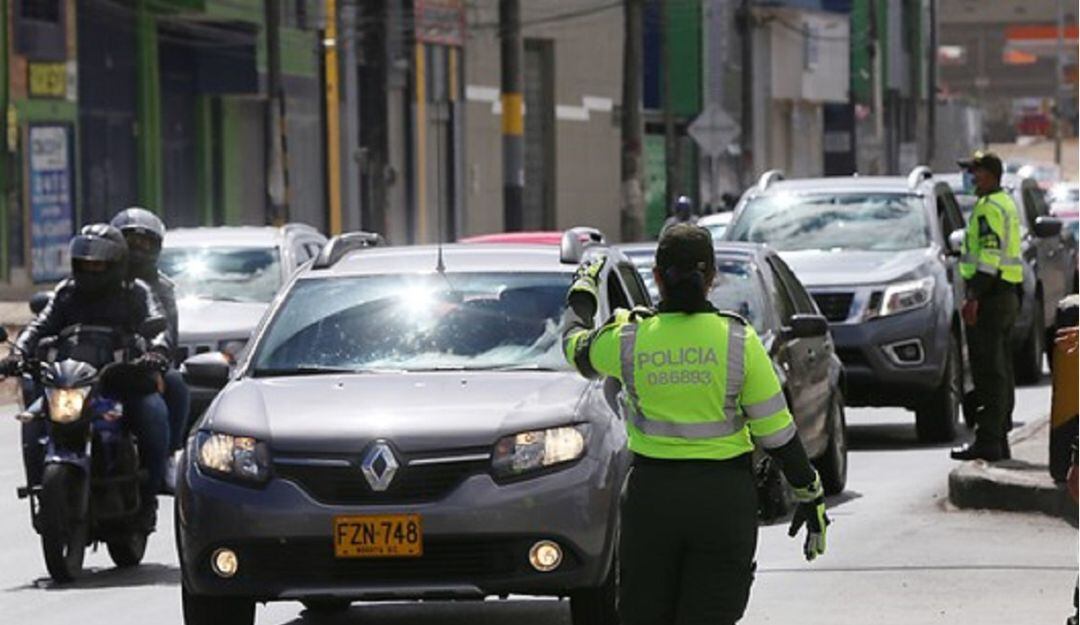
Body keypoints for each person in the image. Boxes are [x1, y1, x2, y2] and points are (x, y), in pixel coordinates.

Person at [561, 224, 829, 625]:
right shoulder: (739, 340)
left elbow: (573, 347)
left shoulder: (629, 338)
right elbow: (777, 433)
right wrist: (809, 492)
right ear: (711, 278)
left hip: (651, 502)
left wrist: (581, 293)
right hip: (722, 504)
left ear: (656, 277)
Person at [0, 224, 173, 529]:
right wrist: (17, 354)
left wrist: (156, 351)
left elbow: (158, 325)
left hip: (120, 382)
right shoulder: (67, 293)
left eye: (99, 264)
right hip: (71, 383)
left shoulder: (136, 292)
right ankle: (42, 495)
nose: (91, 270)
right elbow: (39, 325)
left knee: (153, 414)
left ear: (117, 263)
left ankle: (148, 498)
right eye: (85, 263)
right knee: (32, 422)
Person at [951, 151, 1023, 462]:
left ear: (990, 175)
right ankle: (999, 435)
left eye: (974, 172)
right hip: (1005, 295)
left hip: (991, 297)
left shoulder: (989, 209)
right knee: (1000, 369)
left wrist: (974, 297)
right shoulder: (1003, 203)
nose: (970, 177)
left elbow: (990, 258)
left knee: (988, 372)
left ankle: (989, 440)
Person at [110, 207, 191, 456]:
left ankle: (167, 455)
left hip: (140, 367)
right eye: (130, 243)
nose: (137, 251)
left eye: (145, 244)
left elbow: (166, 332)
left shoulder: (160, 289)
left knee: (175, 383)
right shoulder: (96, 276)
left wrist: (156, 353)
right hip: (95, 363)